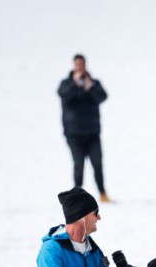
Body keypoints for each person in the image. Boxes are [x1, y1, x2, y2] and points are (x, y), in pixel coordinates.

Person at [58, 54, 110, 202]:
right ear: (74, 65)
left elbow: (103, 97)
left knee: (97, 163)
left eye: (82, 63)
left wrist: (90, 88)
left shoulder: (93, 83)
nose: (80, 66)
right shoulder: (66, 84)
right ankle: (78, 197)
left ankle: (103, 193)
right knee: (79, 165)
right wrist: (75, 85)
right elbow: (64, 95)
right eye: (77, 63)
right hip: (74, 134)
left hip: (92, 133)